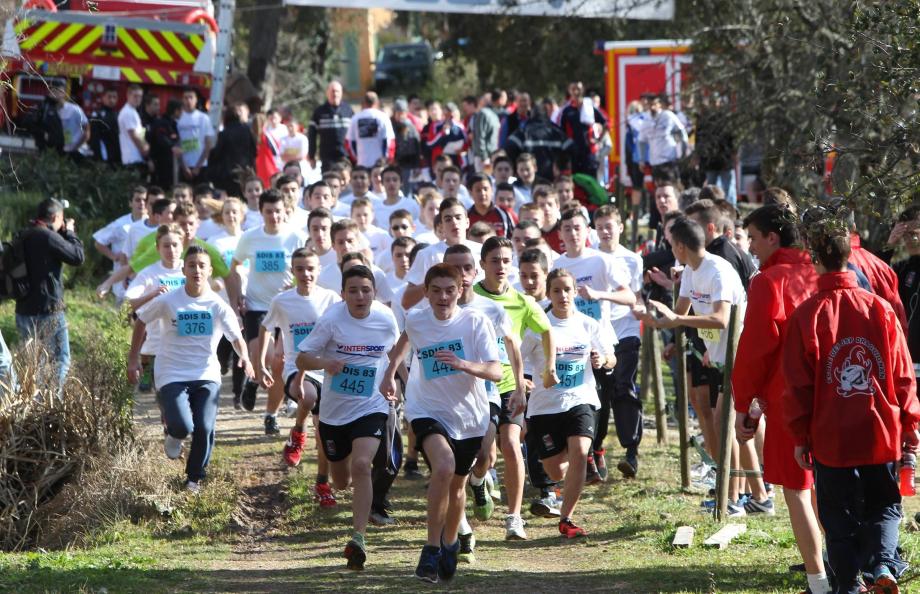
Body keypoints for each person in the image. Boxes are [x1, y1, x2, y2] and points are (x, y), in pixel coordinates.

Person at [783, 216, 920, 594]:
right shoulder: (881, 309)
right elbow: (902, 374)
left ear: (815, 260)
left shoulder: (807, 315)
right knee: (885, 507)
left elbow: (798, 386)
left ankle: (848, 585)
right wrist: (910, 424)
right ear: (850, 256)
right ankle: (882, 568)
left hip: (831, 436)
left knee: (837, 514)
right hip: (880, 430)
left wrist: (799, 436)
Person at [380, 264, 502, 584]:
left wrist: (464, 364)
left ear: (460, 290)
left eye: (450, 290)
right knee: (444, 467)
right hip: (426, 409)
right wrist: (390, 373)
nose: (443, 297)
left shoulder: (475, 321)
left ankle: (451, 541)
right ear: (427, 292)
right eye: (436, 290)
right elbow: (405, 340)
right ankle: (431, 549)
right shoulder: (417, 318)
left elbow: (496, 371)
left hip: (469, 417)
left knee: (457, 485)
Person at [731, 204, 826, 594]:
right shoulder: (818, 271)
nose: (750, 247)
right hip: (832, 391)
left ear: (772, 237)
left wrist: (743, 405)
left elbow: (756, 348)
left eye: (753, 238)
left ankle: (818, 579)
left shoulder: (769, 281)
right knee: (826, 483)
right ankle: (840, 564)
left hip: (789, 398)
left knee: (796, 488)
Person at [643, 216, 749, 514]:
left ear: (679, 246)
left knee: (724, 423)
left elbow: (720, 318)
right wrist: (652, 318)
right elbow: (679, 312)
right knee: (719, 424)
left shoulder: (718, 271)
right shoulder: (690, 270)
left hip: (738, 353)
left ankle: (736, 498)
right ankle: (727, 492)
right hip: (715, 354)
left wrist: (678, 320)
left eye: (671, 245)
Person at [297, 265, 400, 570]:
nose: (360, 296)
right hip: (334, 412)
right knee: (341, 481)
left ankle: (358, 537)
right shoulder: (331, 319)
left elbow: (395, 352)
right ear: (342, 294)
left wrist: (394, 378)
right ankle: (350, 491)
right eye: (353, 290)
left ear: (374, 292)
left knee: (362, 464)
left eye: (366, 290)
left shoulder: (385, 318)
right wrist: (325, 362)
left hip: (371, 405)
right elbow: (302, 357)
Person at [128, 245, 254, 493]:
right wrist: (133, 359)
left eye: (202, 265)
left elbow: (235, 336)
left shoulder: (217, 305)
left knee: (205, 427)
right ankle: (174, 435)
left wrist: (246, 359)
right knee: (183, 426)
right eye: (192, 265)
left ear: (209, 271)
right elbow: (140, 320)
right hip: (171, 372)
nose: (197, 269)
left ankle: (194, 479)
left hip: (206, 373)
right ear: (184, 269)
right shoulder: (168, 300)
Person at [473, 236, 558, 539]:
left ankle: (514, 516)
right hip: (476, 384)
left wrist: (549, 367)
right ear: (482, 264)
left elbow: (547, 331)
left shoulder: (523, 302)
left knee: (511, 445)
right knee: (484, 454)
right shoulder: (469, 296)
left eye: (506, 260)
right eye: (494, 260)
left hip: (510, 383)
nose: (501, 266)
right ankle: (478, 480)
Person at [522, 268, 616, 537]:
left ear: (575, 292)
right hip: (545, 407)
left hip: (581, 399)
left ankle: (567, 518)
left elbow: (611, 357)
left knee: (579, 451)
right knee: (556, 468)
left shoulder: (588, 324)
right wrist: (522, 382)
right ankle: (563, 482)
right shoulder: (538, 328)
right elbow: (515, 359)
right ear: (549, 294)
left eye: (567, 289)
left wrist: (603, 361)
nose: (563, 295)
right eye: (556, 290)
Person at [553, 209, 636, 479]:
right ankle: (584, 454)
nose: (573, 233)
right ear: (561, 234)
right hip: (568, 343)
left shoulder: (600, 261)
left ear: (586, 230)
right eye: (567, 228)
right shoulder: (556, 264)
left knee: (602, 399)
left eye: (577, 227)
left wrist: (599, 294)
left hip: (600, 341)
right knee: (577, 399)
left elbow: (629, 297)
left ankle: (596, 447)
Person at [260, 249, 340, 509]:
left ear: (318, 270)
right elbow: (265, 328)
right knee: (309, 395)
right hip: (296, 366)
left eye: (310, 269)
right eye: (300, 269)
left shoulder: (330, 298)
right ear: (292, 271)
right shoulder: (282, 301)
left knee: (325, 433)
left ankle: (322, 483)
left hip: (325, 368)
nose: (306, 274)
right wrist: (262, 363)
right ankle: (297, 433)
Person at [227, 190, 306, 430]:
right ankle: (254, 379)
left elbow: (308, 269)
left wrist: (294, 285)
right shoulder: (250, 238)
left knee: (280, 363)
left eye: (278, 211)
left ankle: (270, 414)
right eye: (269, 211)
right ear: (261, 212)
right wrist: (236, 295)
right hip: (257, 307)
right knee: (267, 357)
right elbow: (234, 267)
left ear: (286, 212)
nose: (274, 216)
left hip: (288, 308)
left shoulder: (296, 237)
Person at [592, 205, 645, 478]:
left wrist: (642, 311)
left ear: (620, 227)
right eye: (599, 226)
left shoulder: (633, 259)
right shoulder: (590, 257)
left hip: (625, 328)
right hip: (597, 332)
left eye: (609, 225)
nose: (604, 231)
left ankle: (631, 451)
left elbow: (635, 295)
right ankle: (595, 449)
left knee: (624, 387)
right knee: (600, 392)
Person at [15, 198, 84, 388]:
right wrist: (69, 232)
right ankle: (53, 407)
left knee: (34, 365)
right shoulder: (48, 237)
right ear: (55, 217)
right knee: (60, 360)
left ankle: (35, 408)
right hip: (49, 310)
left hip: (23, 310)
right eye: (61, 220)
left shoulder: (24, 234)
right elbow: (77, 256)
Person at [125, 224, 187, 392]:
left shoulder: (190, 270)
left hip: (186, 341)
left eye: (175, 245)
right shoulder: (149, 273)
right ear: (158, 248)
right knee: (164, 393)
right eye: (166, 246)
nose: (171, 250)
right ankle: (147, 373)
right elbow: (129, 302)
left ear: (182, 246)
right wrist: (152, 295)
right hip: (157, 341)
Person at [638, 94, 689, 185]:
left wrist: (683, 152)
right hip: (654, 161)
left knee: (672, 185)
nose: (652, 107)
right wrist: (641, 160)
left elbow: (681, 132)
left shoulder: (667, 115)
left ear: (659, 104)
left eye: (654, 104)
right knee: (658, 186)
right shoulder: (646, 119)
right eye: (649, 104)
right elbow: (641, 140)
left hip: (668, 158)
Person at [209, 104, 256, 197]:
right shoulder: (246, 130)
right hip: (245, 170)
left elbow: (217, 153)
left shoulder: (224, 133)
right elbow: (254, 150)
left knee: (232, 196)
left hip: (228, 172)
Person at [308, 81, 354, 172]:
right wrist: (312, 156)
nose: (335, 94)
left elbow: (355, 134)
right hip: (327, 157)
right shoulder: (319, 112)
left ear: (341, 93)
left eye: (337, 91)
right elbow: (312, 136)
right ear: (327, 93)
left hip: (345, 156)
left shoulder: (348, 110)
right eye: (332, 91)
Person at [345, 92, 395, 168]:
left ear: (363, 103)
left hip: (362, 163)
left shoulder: (355, 118)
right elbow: (389, 141)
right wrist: (386, 159)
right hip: (380, 165)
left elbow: (349, 143)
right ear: (377, 103)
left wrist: (357, 159)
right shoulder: (383, 117)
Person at [177, 87, 216, 183]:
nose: (188, 101)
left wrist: (198, 167)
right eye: (185, 98)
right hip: (184, 166)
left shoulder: (203, 118)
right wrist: (184, 166)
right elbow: (177, 143)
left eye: (191, 97)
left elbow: (208, 144)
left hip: (201, 165)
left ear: (196, 99)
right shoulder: (179, 119)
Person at [467, 174, 514, 238]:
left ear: (492, 190)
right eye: (478, 190)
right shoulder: (466, 216)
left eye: (485, 189)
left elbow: (512, 238)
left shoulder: (504, 214)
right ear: (470, 193)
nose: (482, 193)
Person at [119, 85, 149, 170]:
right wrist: (145, 149)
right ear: (128, 95)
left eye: (140, 96)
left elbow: (140, 133)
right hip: (132, 159)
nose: (138, 99)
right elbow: (134, 135)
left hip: (136, 158)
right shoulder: (128, 112)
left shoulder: (133, 111)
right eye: (135, 96)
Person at [89, 87, 120, 165]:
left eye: (114, 97)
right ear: (103, 98)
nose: (112, 100)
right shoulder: (97, 115)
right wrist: (98, 158)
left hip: (117, 156)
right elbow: (94, 138)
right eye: (109, 97)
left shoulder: (118, 115)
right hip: (103, 156)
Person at [471, 92, 500, 172]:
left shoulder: (493, 114)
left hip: (491, 156)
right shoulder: (483, 113)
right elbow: (479, 136)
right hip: (484, 157)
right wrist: (484, 157)